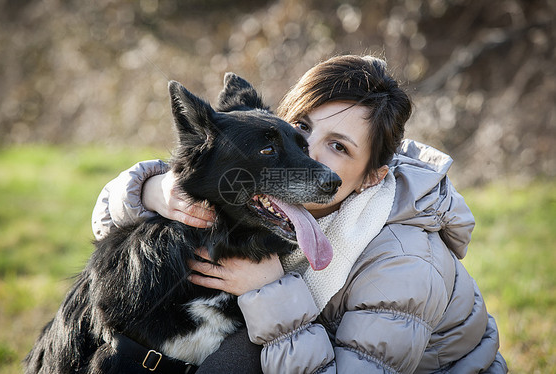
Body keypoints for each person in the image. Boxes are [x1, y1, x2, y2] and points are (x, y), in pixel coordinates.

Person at [92, 55, 507, 373]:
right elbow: (116, 230)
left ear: (371, 177)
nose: (307, 155)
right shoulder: (269, 198)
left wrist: (270, 292)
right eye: (302, 129)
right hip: (302, 350)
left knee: (240, 355)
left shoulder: (404, 262)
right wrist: (151, 190)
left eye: (339, 146)